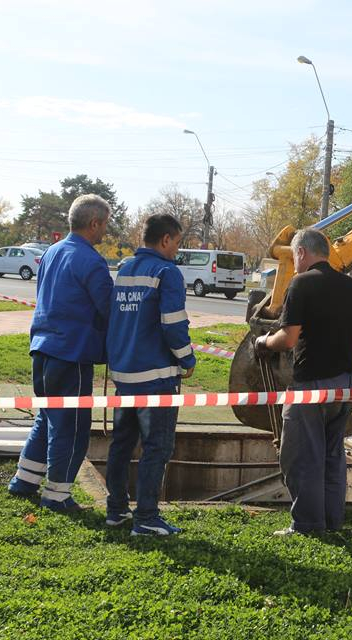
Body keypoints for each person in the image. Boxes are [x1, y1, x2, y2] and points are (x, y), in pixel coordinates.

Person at [254, 228, 352, 536]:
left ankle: (308, 526)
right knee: (332, 455)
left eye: (294, 256)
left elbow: (289, 337)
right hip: (347, 385)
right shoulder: (351, 286)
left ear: (302, 253)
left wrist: (264, 343)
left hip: (312, 387)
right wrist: (341, 352)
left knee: (301, 455)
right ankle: (332, 522)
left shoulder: (301, 283)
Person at [7, 194, 114, 512]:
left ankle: (24, 481)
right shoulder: (91, 260)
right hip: (72, 354)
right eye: (105, 224)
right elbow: (109, 309)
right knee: (74, 425)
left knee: (47, 417)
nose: (105, 231)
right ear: (94, 223)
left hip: (42, 349)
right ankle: (57, 495)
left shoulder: (52, 252)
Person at [104, 213, 196, 536]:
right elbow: (173, 325)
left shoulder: (125, 269)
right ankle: (146, 518)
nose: (177, 250)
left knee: (122, 444)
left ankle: (116, 510)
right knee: (157, 447)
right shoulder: (167, 272)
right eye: (177, 243)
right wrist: (188, 359)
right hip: (156, 378)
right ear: (166, 239)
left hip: (124, 374)